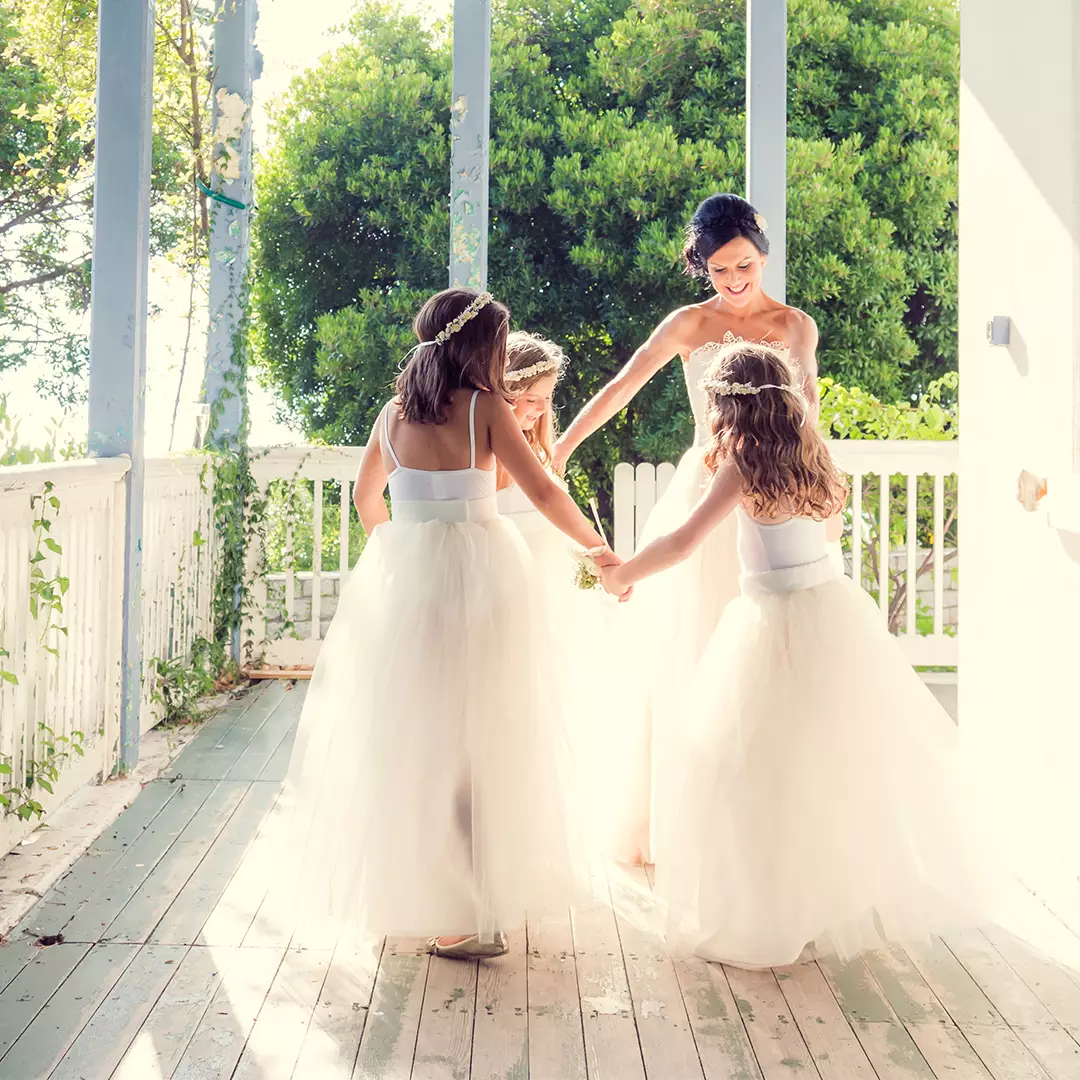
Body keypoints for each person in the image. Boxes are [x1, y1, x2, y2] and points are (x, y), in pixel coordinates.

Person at [600, 342, 998, 968]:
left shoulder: (743, 462)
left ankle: (767, 911)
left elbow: (681, 541)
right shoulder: (812, 453)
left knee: (748, 772)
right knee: (822, 765)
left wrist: (625, 575)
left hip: (770, 626)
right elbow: (830, 530)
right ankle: (815, 902)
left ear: (727, 405)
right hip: (830, 612)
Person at [277, 288, 620, 960]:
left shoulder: (391, 416)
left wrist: (402, 554)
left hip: (411, 590)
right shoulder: (486, 409)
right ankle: (479, 900)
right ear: (481, 347)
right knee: (489, 736)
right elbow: (545, 491)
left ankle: (440, 904)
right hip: (486, 584)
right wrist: (597, 549)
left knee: (418, 741)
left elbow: (365, 500)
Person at [553, 193, 820, 864]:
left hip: (770, 496)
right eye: (718, 270)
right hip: (704, 489)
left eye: (745, 267)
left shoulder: (794, 327)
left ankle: (759, 823)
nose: (732, 282)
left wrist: (815, 499)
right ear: (700, 264)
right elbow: (620, 388)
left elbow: (808, 410)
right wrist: (559, 450)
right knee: (689, 651)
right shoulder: (686, 325)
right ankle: (679, 820)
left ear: (764, 255)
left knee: (763, 662)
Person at [497, 331, 635, 857]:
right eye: (525, 398)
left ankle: (543, 829)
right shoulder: (490, 445)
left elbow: (551, 514)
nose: (534, 410)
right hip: (511, 590)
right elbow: (542, 502)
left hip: (547, 594)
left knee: (552, 705)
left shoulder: (537, 449)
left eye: (544, 400)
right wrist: (601, 551)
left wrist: (589, 559)